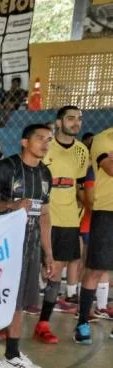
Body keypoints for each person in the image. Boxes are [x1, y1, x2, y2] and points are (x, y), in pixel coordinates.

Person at [0, 124, 53, 368]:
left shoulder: (45, 174)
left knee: (18, 303)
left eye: (49, 139)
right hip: (1, 247)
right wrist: (12, 205)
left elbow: (45, 215)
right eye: (40, 138)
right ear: (24, 141)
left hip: (29, 247)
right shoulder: (5, 168)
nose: (45, 143)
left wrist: (47, 253)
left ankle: (13, 354)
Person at [35, 106, 93, 343]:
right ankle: (11, 320)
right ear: (59, 123)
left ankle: (43, 322)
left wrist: (89, 209)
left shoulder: (81, 151)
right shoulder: (46, 145)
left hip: (69, 219)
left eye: (79, 119)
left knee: (57, 271)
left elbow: (80, 186)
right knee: (37, 271)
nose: (75, 123)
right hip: (43, 217)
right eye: (70, 118)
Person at [75, 124, 113, 344]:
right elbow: (110, 168)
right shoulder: (103, 139)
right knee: (95, 270)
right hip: (107, 211)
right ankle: (82, 323)